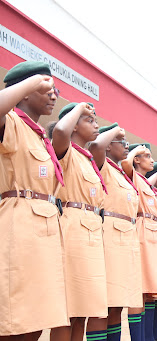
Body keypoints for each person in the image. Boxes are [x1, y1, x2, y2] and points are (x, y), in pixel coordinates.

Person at [0, 61, 68, 339]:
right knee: (19, 317)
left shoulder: (41, 136)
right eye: (46, 88)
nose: (54, 95)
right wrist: (32, 81)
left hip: (45, 230)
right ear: (25, 92)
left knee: (39, 316)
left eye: (55, 90)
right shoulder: (12, 121)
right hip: (20, 228)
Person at [51, 102, 108, 341]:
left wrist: (86, 114)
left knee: (82, 310)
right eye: (90, 120)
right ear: (74, 125)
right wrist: (78, 110)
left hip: (91, 231)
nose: (96, 125)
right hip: (73, 229)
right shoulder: (66, 150)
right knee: (68, 309)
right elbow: (61, 132)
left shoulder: (88, 159)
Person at [89, 123, 143, 341]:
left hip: (125, 237)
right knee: (105, 303)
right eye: (123, 143)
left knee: (118, 303)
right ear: (108, 146)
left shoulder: (120, 172)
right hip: (110, 235)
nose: (127, 147)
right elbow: (96, 146)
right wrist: (116, 130)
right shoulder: (101, 164)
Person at [121, 143, 157, 341]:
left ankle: (148, 336)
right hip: (141, 234)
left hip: (151, 235)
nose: (151, 160)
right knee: (139, 290)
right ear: (137, 160)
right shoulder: (132, 177)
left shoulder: (145, 182)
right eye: (146, 156)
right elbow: (125, 164)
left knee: (148, 291)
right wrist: (135, 151)